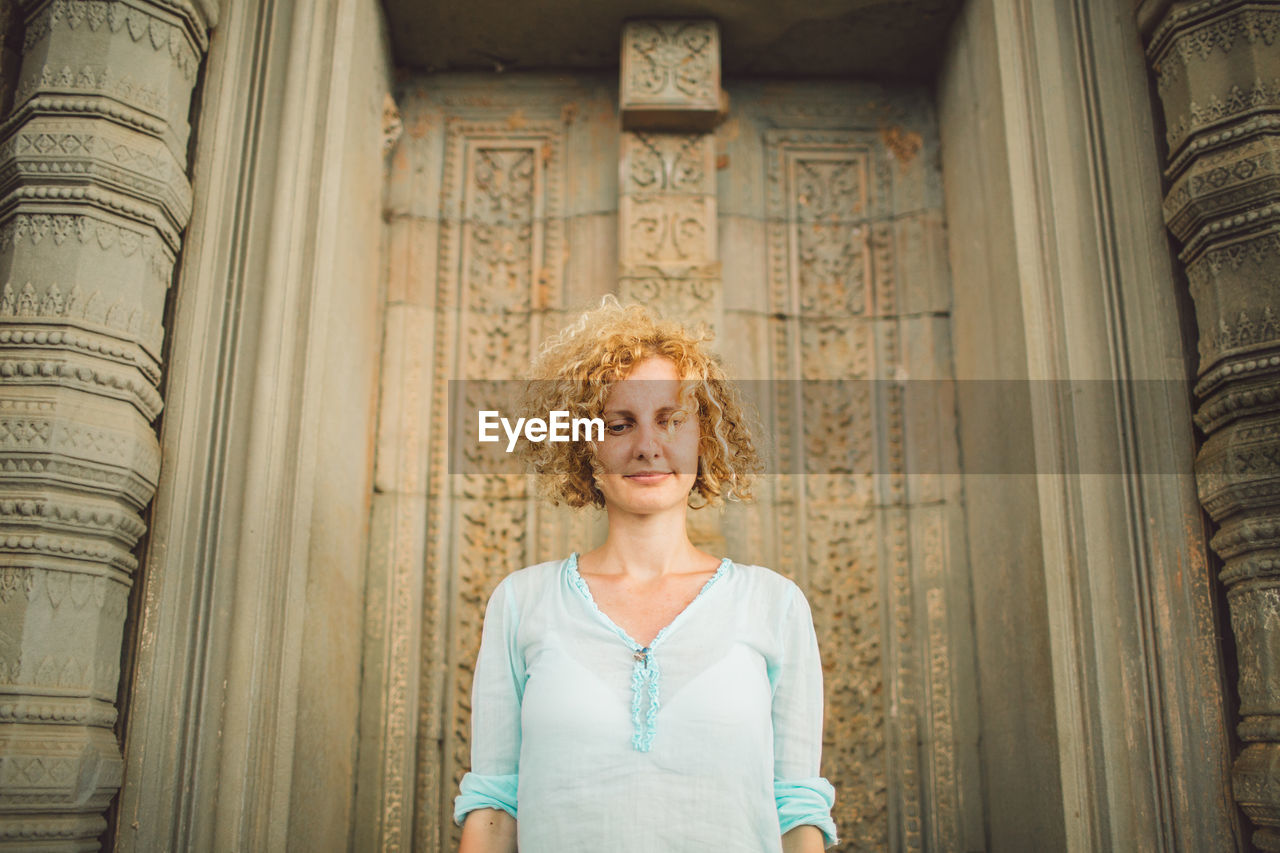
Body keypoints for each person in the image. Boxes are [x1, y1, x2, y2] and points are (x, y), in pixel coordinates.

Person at [455, 299, 838, 853]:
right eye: (619, 424)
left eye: (671, 419)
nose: (647, 446)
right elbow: (494, 808)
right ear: (585, 445)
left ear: (704, 438)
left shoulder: (774, 605)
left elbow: (798, 810)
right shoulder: (521, 602)